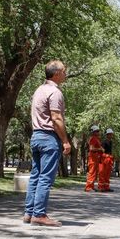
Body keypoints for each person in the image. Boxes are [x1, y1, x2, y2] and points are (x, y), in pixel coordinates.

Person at [23, 60, 71, 226]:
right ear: (56, 73)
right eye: (64, 71)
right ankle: (39, 214)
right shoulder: (54, 92)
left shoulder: (39, 90)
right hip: (49, 138)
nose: (65, 74)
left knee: (35, 176)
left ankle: (29, 213)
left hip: (36, 136)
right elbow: (56, 118)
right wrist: (65, 141)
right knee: (45, 178)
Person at [84, 125, 104, 192]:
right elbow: (91, 148)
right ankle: (88, 187)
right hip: (92, 158)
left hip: (96, 158)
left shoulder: (96, 139)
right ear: (93, 132)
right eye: (96, 131)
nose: (98, 132)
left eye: (98, 131)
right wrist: (100, 149)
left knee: (94, 173)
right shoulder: (93, 138)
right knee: (91, 172)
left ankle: (91, 186)